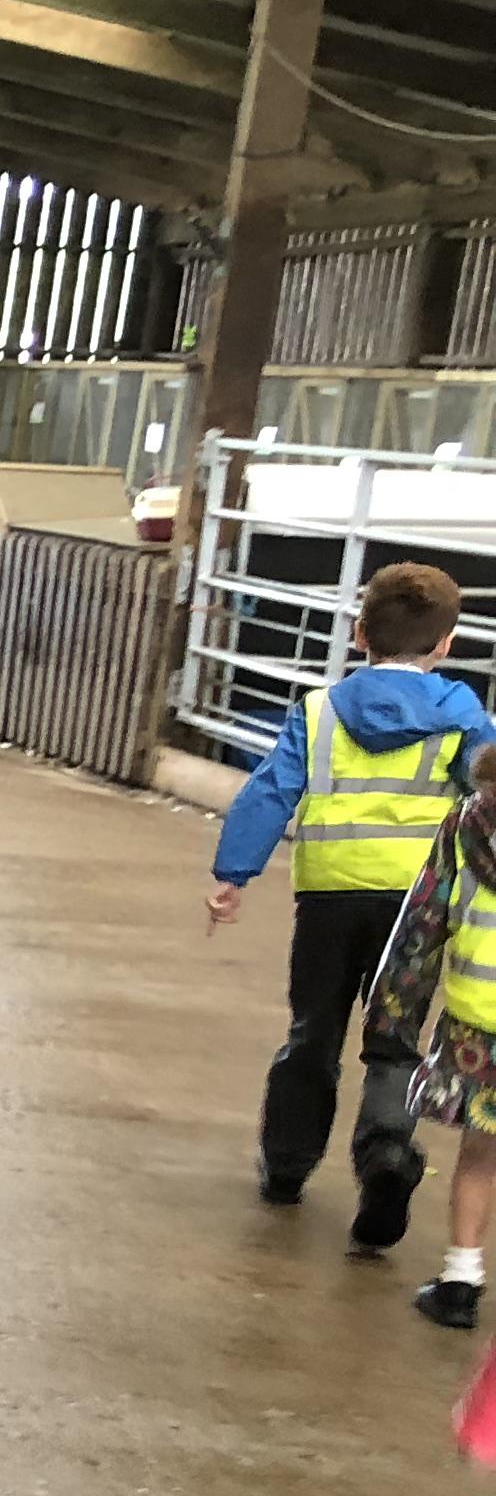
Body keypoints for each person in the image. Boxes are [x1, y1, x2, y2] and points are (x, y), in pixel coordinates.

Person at [208, 561, 487, 1254]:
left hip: (329, 898)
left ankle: (287, 1165)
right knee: (395, 1039)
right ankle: (387, 1154)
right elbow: (487, 801)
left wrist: (232, 874)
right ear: (446, 643)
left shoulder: (319, 710)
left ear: (359, 633)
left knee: (313, 1029)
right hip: (417, 911)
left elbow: (271, 790)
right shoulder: (463, 715)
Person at [366, 741, 496, 1331]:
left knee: (480, 1154)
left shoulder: (468, 824)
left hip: (478, 1019)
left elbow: (424, 920)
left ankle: (460, 1282)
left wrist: (394, 1010)